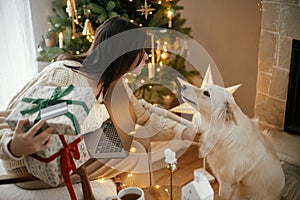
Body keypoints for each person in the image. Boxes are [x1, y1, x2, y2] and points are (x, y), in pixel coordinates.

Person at [0, 16, 198, 189]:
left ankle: (130, 192)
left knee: (135, 138)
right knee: (135, 152)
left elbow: (143, 114)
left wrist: (186, 131)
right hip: (32, 167)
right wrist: (14, 147)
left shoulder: (112, 83)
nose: (147, 56)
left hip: (73, 151)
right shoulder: (63, 74)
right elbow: (6, 117)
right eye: (142, 51)